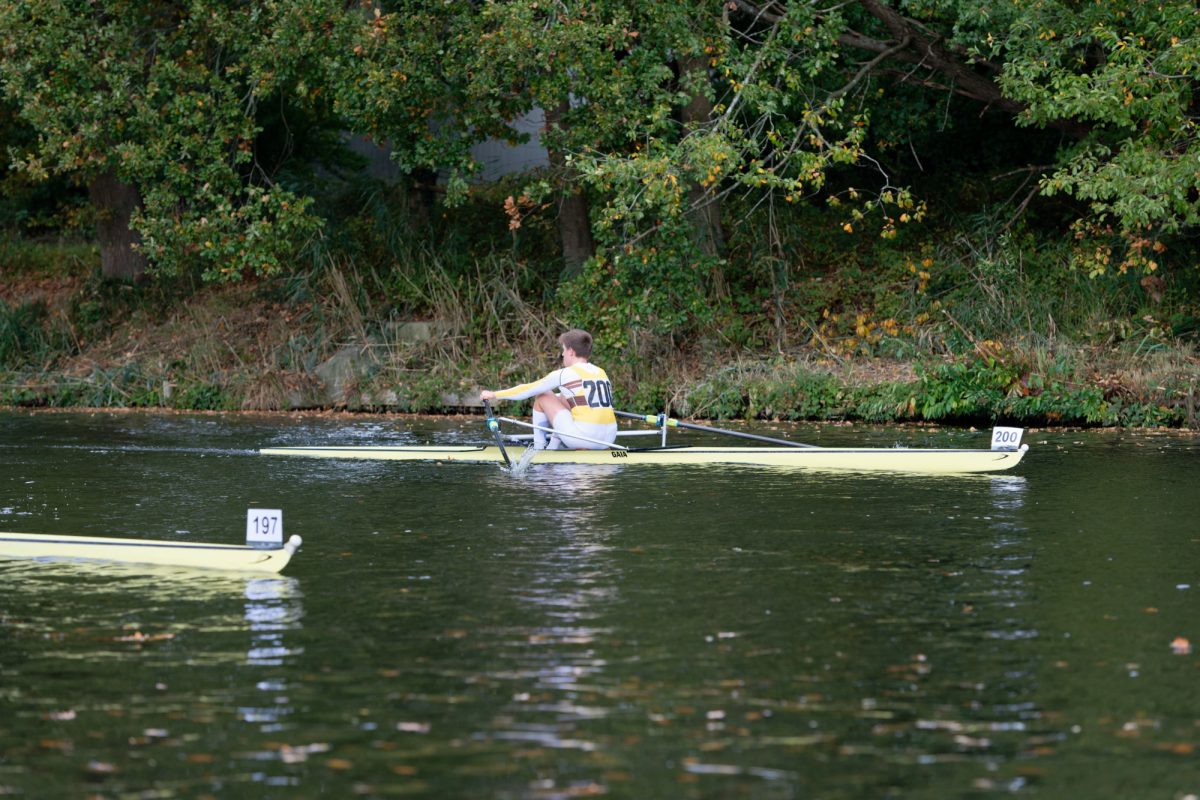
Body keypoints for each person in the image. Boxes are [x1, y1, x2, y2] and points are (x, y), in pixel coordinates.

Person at [480, 329, 617, 450]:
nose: (562, 354)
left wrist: (494, 394)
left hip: (584, 438)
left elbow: (528, 390)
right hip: (609, 439)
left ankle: (539, 448)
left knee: (543, 395)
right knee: (563, 396)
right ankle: (553, 446)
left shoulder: (565, 374)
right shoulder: (601, 372)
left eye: (564, 350)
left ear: (570, 352)